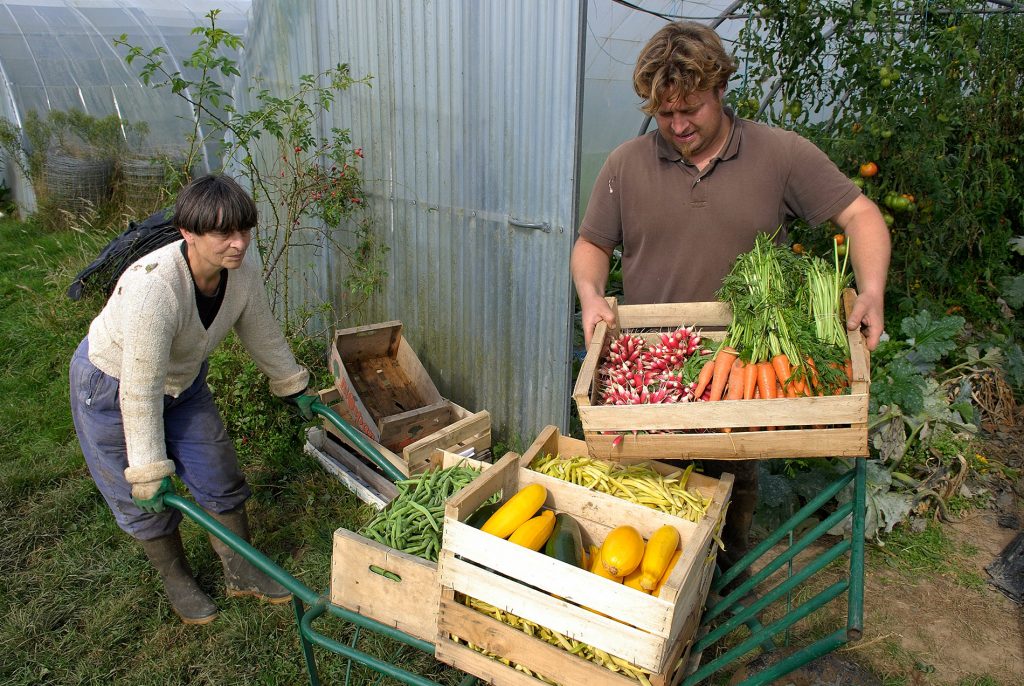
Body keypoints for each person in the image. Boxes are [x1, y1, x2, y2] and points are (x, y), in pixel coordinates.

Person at [571, 22, 891, 574]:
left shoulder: (779, 154)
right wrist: (591, 293)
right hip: (651, 379)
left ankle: (724, 598)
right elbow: (591, 244)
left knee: (729, 511)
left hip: (743, 378)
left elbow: (861, 215)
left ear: (720, 88)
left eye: (690, 109)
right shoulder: (627, 163)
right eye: (664, 114)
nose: (677, 126)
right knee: (646, 519)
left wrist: (872, 291)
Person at [69, 174, 319, 624]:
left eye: (244, 230)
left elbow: (259, 327)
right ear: (188, 233)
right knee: (139, 498)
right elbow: (140, 389)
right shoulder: (155, 288)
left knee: (218, 472)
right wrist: (147, 470)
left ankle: (241, 572)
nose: (238, 244)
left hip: (183, 383)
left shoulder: (241, 268)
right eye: (224, 233)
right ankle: (177, 580)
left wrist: (291, 382)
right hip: (110, 385)